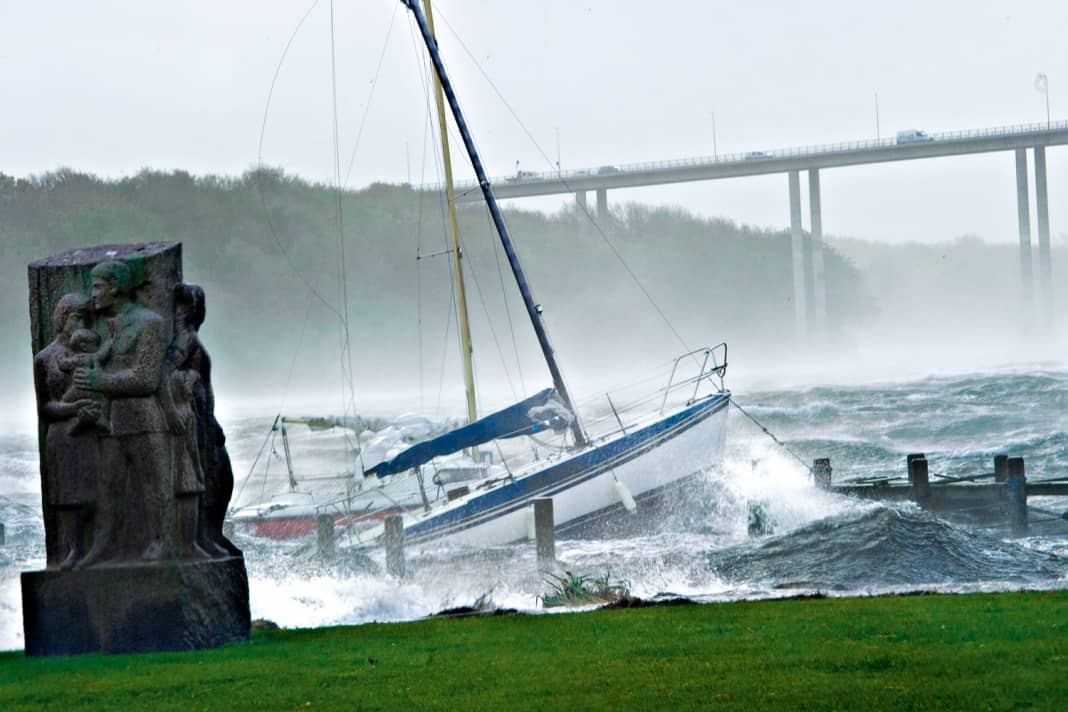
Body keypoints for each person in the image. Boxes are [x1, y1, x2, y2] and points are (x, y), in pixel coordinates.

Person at [74, 260, 172, 566]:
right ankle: (102, 546)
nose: (93, 295)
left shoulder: (149, 323)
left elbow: (146, 378)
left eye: (98, 287)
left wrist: (99, 381)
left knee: (151, 484)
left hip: (143, 420)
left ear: (116, 288)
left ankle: (160, 542)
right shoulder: (111, 326)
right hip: (114, 421)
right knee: (107, 486)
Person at [32, 292, 100, 569]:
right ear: (62, 318)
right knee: (66, 495)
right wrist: (73, 409)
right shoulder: (45, 358)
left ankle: (95, 546)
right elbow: (45, 407)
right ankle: (74, 548)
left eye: (86, 318)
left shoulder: (88, 352)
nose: (81, 323)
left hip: (88, 429)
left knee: (92, 490)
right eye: (76, 317)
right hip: (61, 433)